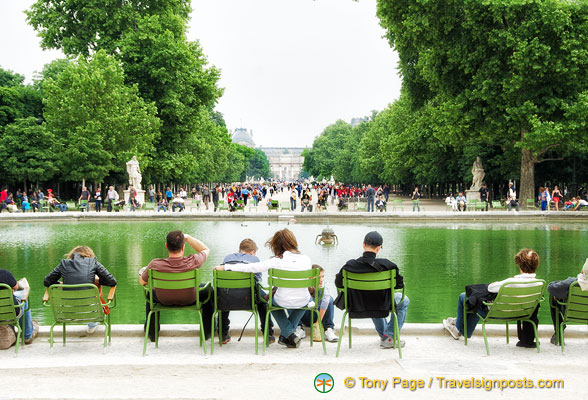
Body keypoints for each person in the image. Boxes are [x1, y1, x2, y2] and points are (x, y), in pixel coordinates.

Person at [214, 229, 312, 348]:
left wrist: (226, 267)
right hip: (303, 300)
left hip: (282, 299)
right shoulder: (306, 259)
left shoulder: (276, 261)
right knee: (307, 301)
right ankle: (287, 335)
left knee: (271, 301)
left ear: (277, 246)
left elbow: (252, 267)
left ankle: (288, 334)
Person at [442, 249, 542, 348]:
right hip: (520, 314)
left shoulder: (510, 282)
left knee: (464, 296)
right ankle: (460, 324)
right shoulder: (539, 283)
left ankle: (458, 328)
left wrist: (496, 283)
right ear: (536, 265)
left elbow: (490, 288)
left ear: (520, 266)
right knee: (475, 300)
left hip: (495, 313)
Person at [335, 231, 409, 349]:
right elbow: (399, 285)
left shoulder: (349, 266)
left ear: (363, 244)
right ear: (379, 248)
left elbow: (338, 284)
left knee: (374, 297)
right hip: (380, 302)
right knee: (404, 300)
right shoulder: (388, 266)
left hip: (357, 304)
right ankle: (389, 336)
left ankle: (385, 337)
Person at [140, 231, 213, 342]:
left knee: (150, 293)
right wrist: (188, 237)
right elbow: (205, 250)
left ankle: (152, 333)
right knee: (208, 290)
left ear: (166, 246)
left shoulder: (155, 264)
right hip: (190, 298)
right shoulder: (193, 261)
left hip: (163, 299)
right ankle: (208, 331)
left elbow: (142, 282)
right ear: (183, 246)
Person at [44, 246, 117, 333]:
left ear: (72, 255)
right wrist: (97, 280)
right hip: (91, 312)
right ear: (89, 255)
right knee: (97, 303)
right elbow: (112, 282)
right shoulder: (93, 263)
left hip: (67, 312)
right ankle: (92, 325)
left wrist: (62, 284)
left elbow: (47, 281)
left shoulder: (63, 264)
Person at [218, 239, 275, 344]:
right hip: (249, 298)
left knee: (223, 297)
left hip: (228, 297)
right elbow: (258, 280)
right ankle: (268, 334)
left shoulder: (227, 258)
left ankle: (223, 335)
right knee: (263, 302)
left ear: (239, 250)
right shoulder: (254, 259)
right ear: (252, 252)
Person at [547, 260, 588, 345]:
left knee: (554, 297)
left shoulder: (571, 283)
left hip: (570, 313)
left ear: (582, 271)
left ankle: (558, 334)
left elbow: (550, 288)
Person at [297, 265, 338, 343]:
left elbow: (326, 301)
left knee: (329, 299)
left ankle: (328, 329)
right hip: (305, 316)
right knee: (292, 298)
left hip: (318, 318)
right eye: (318, 277)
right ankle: (299, 328)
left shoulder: (323, 285)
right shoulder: (303, 285)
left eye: (322, 276)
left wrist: (318, 323)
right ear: (310, 278)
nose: (321, 279)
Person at [0, 270, 37, 345]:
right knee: (23, 294)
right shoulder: (4, 274)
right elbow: (16, 286)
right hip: (10, 314)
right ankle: (28, 335)